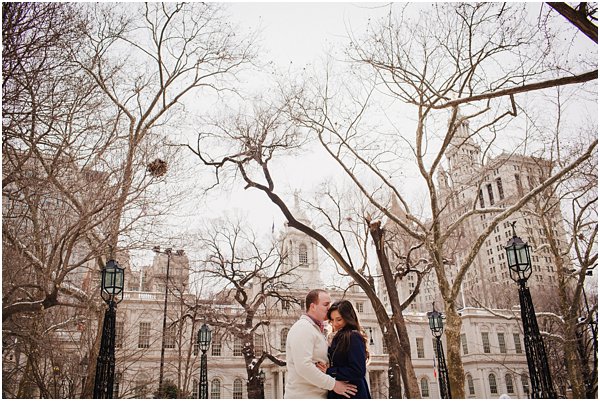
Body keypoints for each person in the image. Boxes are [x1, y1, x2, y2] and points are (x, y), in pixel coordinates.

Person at [285, 289, 358, 399]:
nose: (330, 308)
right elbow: (303, 366)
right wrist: (333, 384)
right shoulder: (303, 328)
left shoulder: (316, 330)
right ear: (313, 306)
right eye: (326, 305)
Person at [318, 300, 371, 399]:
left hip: (353, 393)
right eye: (332, 320)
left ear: (348, 318)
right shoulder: (335, 337)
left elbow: (358, 370)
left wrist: (330, 371)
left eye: (339, 319)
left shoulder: (353, 336)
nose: (335, 324)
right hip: (339, 391)